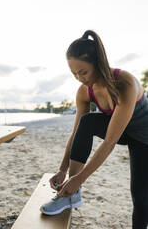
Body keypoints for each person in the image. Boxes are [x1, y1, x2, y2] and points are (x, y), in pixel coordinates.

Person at [40, 30, 148, 229]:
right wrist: (63, 170)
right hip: (121, 130)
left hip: (144, 136)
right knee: (87, 121)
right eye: (74, 73)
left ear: (97, 63)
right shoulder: (84, 91)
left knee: (140, 197)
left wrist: (81, 178)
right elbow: (76, 132)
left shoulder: (125, 83)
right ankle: (72, 194)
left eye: (83, 72)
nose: (79, 78)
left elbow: (110, 141)